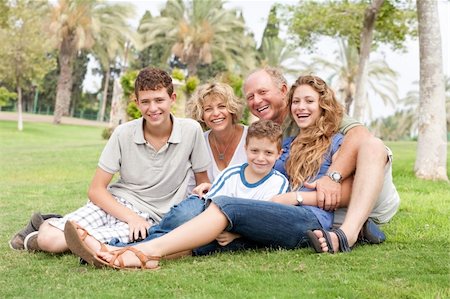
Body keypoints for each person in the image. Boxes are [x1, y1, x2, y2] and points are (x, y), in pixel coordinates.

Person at [65, 75, 349, 270]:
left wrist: (299, 199)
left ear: (324, 105)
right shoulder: (287, 145)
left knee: (221, 205)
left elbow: (343, 189)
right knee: (202, 215)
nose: (301, 108)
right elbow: (254, 183)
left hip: (302, 218)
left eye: (309, 102)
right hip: (259, 215)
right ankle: (124, 254)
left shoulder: (340, 143)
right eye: (297, 102)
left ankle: (122, 250)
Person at [10, 67, 211, 254]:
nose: (153, 108)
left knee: (80, 243)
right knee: (50, 241)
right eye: (145, 102)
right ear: (136, 103)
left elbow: (202, 182)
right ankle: (45, 226)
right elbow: (96, 189)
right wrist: (131, 217)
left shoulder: (191, 130)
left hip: (150, 219)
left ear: (172, 98)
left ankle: (48, 226)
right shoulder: (123, 133)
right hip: (115, 204)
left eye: (159, 100)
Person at [243, 67, 400, 252]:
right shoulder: (265, 134)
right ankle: (355, 227)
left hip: (366, 190)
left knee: (372, 145)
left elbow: (360, 134)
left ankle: (347, 235)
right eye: (250, 96)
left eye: (262, 92)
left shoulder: (319, 114)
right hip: (325, 206)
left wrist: (333, 177)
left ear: (283, 91)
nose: (257, 101)